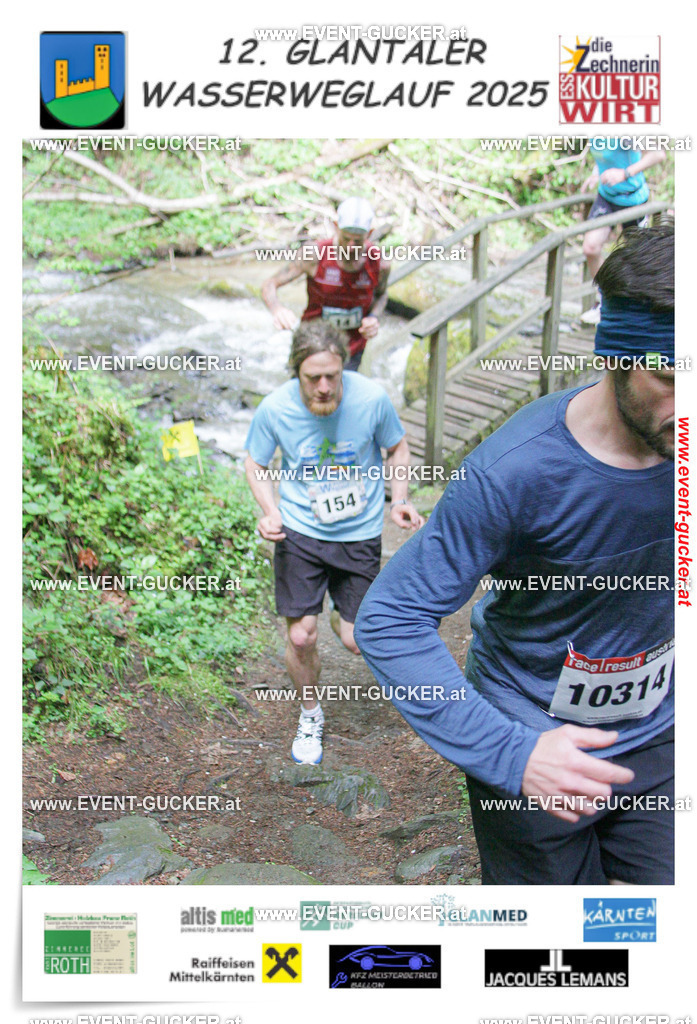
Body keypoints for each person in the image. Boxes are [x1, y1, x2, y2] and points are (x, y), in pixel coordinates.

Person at [355, 224, 675, 885]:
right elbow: (390, 619)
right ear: (616, 355)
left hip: (662, 740)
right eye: (668, 375)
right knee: (557, 959)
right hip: (531, 743)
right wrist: (511, 755)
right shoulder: (513, 472)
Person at [244, 319, 423, 764]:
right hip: (301, 532)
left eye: (332, 376)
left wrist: (398, 498)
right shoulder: (275, 408)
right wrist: (270, 510)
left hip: (358, 533)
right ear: (296, 373)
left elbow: (397, 448)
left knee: (356, 639)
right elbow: (255, 462)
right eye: (312, 378)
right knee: (302, 637)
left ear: (344, 368)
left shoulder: (371, 399)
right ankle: (310, 714)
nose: (324, 387)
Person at [261, 197, 390, 371]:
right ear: (336, 227)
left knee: (341, 395)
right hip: (310, 344)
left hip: (351, 349)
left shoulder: (379, 263)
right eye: (346, 238)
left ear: (370, 233)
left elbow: (382, 295)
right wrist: (277, 310)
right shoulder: (314, 254)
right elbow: (269, 284)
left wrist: (374, 317)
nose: (351, 246)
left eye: (358, 241)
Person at [580, 137, 665, 322]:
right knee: (590, 248)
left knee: (637, 260)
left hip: (633, 199)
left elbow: (658, 153)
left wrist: (624, 173)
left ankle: (638, 312)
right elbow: (606, 157)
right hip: (607, 197)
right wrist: (597, 173)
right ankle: (606, 301)